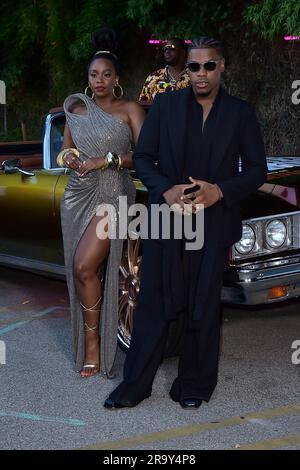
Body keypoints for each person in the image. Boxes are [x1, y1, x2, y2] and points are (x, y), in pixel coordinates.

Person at [104, 36, 267, 408]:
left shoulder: (240, 112)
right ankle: (135, 386)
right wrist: (166, 190)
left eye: (209, 65)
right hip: (167, 218)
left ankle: (193, 386)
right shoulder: (165, 105)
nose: (201, 74)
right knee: (153, 301)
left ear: (222, 65)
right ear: (187, 69)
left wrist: (220, 191)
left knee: (203, 304)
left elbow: (256, 169)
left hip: (214, 221)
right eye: (194, 66)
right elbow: (144, 158)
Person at [58, 28, 145, 379]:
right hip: (79, 195)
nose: (100, 80)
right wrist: (73, 160)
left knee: (83, 265)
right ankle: (91, 341)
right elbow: (67, 151)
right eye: (94, 75)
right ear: (87, 78)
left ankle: (94, 346)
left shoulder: (130, 109)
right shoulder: (76, 110)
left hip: (115, 194)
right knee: (81, 269)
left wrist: (105, 160)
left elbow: (144, 156)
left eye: (107, 75)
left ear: (117, 79)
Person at [139, 38, 190, 103]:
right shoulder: (153, 77)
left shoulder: (193, 76)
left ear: (183, 52)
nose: (167, 51)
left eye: (171, 48)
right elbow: (143, 105)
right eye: (165, 49)